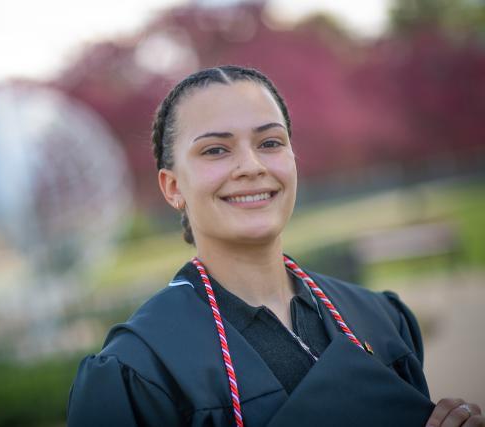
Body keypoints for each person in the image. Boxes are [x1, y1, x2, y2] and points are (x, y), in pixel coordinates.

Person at [67, 65, 483, 426]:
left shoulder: (382, 319)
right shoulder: (140, 369)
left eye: (270, 142)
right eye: (216, 150)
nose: (252, 166)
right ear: (173, 187)